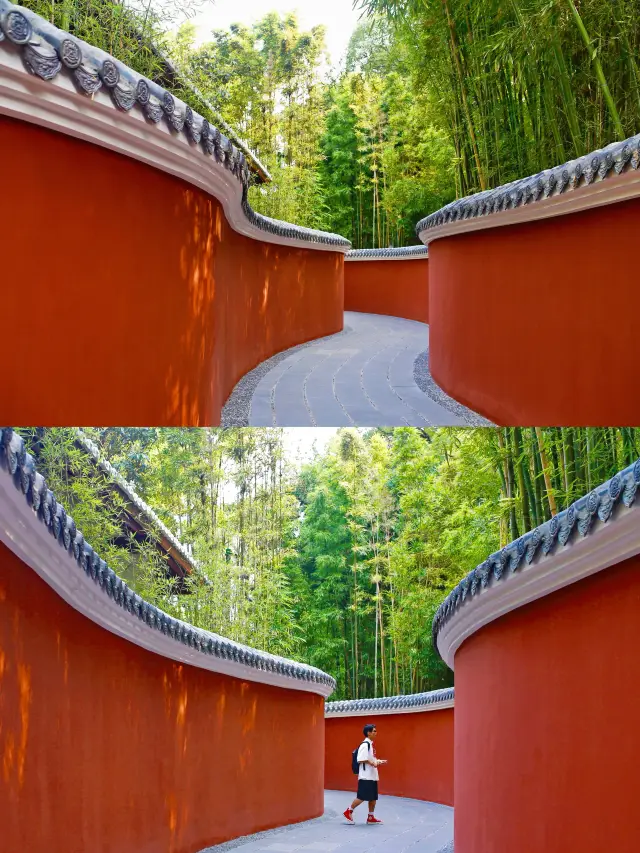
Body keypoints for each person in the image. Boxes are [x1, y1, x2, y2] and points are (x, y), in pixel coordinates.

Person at [343, 723, 387, 825]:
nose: (376, 733)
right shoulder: (365, 744)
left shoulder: (370, 745)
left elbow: (370, 758)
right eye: (374, 731)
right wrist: (372, 763)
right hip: (366, 776)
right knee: (361, 797)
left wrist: (378, 761)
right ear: (368, 733)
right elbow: (361, 759)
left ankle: (370, 817)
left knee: (373, 797)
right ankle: (348, 811)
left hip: (372, 775)